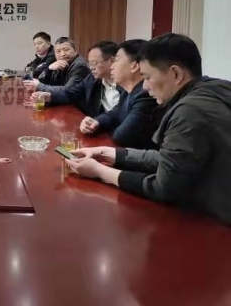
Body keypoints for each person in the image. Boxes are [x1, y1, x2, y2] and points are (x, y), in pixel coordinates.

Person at [67, 34, 231, 225]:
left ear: (176, 74)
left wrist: (99, 171)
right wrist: (107, 153)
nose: (145, 86)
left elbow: (163, 187)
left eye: (147, 77)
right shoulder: (215, 88)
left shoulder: (190, 111)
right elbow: (172, 159)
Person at [79, 39, 158, 149]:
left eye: (116, 60)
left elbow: (122, 137)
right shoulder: (128, 90)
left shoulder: (146, 95)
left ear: (134, 66)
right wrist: (96, 121)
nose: (112, 66)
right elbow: (115, 113)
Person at [32, 41, 119, 117]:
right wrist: (49, 96)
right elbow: (72, 93)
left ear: (112, 61)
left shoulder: (124, 83)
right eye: (90, 63)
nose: (91, 67)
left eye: (94, 63)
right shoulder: (92, 79)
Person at [23, 37, 90, 92]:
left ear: (75, 51)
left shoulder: (80, 66)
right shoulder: (58, 62)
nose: (62, 54)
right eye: (58, 51)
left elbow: (68, 91)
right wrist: (49, 69)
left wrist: (39, 86)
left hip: (76, 104)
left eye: (66, 50)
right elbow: (47, 83)